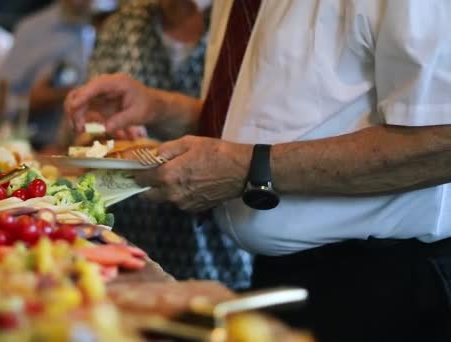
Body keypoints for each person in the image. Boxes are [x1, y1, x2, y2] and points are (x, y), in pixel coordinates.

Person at [65, 0, 451, 341]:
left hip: (384, 286)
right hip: (283, 278)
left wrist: (245, 168)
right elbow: (273, 127)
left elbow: (442, 142)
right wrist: (161, 107)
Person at [88, 0, 252, 290]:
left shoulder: (240, 18)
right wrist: (100, 129)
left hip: (216, 245)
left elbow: (255, 126)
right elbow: (89, 125)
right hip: (126, 231)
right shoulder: (122, 24)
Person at [0, 0, 96, 149]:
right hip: (39, 146)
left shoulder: (118, 22)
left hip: (99, 146)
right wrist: (32, 101)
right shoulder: (31, 30)